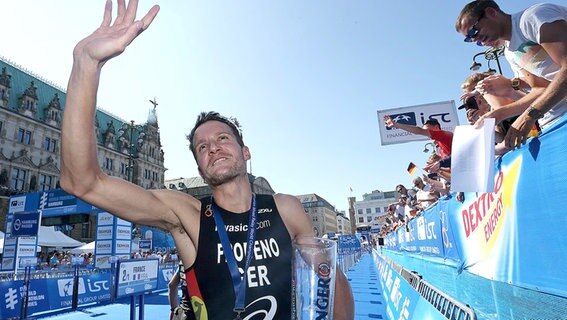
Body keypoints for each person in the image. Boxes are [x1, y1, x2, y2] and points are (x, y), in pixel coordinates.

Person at [59, 1, 354, 319]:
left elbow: (332, 278)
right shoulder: (186, 216)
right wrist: (85, 63)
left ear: (246, 152)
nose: (212, 147)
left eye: (223, 139)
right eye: (202, 147)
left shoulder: (286, 209)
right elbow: (83, 182)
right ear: (200, 168)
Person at [456, 1, 567, 149]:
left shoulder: (533, 18)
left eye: (473, 31)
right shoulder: (510, 52)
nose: (476, 39)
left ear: (491, 12)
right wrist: (499, 115)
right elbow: (540, 88)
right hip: (553, 124)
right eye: (469, 39)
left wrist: (530, 114)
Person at [384, 116, 453, 158]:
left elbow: (419, 131)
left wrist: (397, 125)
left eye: (426, 130)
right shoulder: (440, 147)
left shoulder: (444, 135)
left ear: (436, 127)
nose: (425, 133)